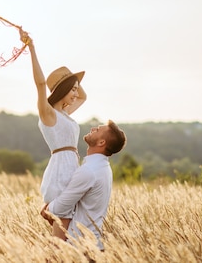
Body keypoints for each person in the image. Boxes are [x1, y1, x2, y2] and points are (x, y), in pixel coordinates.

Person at [19, 28, 87, 239]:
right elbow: (40, 84)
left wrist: (72, 81)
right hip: (60, 174)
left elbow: (83, 97)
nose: (76, 94)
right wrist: (31, 48)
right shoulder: (48, 114)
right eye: (72, 89)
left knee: (69, 238)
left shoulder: (65, 114)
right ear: (62, 90)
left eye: (76, 89)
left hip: (71, 170)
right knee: (60, 240)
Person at [41, 120, 127, 252]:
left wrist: (47, 208)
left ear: (101, 143)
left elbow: (60, 207)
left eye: (98, 130)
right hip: (90, 245)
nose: (93, 129)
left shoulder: (89, 171)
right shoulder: (102, 167)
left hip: (81, 248)